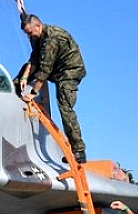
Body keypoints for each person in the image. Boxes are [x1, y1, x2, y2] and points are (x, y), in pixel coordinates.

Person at [17, 14, 88, 164]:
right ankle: (13, 89)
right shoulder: (36, 37)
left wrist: (32, 93)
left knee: (65, 107)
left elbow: (44, 71)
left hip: (70, 71)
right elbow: (34, 59)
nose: (29, 36)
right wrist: (23, 78)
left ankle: (78, 151)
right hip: (56, 68)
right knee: (26, 69)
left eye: (30, 32)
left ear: (38, 26)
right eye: (27, 34)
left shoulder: (52, 40)